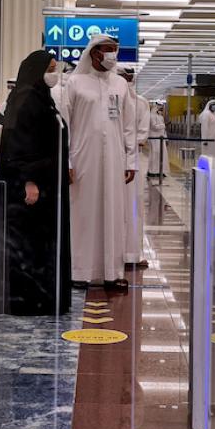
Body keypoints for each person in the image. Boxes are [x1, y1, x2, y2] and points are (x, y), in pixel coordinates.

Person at [0, 51, 72, 315]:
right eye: (49, 69)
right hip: (34, 187)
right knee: (31, 245)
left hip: (48, 184)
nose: (53, 74)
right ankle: (30, 301)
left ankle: (45, 298)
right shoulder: (26, 99)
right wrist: (29, 180)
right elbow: (20, 144)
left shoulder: (41, 98)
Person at [65, 33, 137, 291]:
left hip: (115, 160)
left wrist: (131, 161)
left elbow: (128, 125)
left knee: (114, 213)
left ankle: (112, 272)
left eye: (115, 50)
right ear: (94, 52)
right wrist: (67, 161)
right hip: (83, 158)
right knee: (83, 213)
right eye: (108, 50)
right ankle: (80, 271)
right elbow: (66, 125)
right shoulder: (75, 83)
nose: (112, 55)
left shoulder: (120, 84)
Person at [121, 67, 152, 270]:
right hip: (111, 160)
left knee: (134, 208)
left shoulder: (140, 103)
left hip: (134, 160)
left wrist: (126, 148)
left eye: (127, 77)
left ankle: (132, 253)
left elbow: (142, 135)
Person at [148, 101, 169, 180]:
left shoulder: (161, 117)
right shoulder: (151, 116)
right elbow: (154, 126)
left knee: (162, 155)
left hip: (161, 139)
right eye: (160, 108)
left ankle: (161, 171)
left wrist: (166, 138)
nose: (161, 110)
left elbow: (164, 130)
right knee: (155, 154)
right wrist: (164, 125)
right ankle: (153, 171)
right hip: (154, 138)